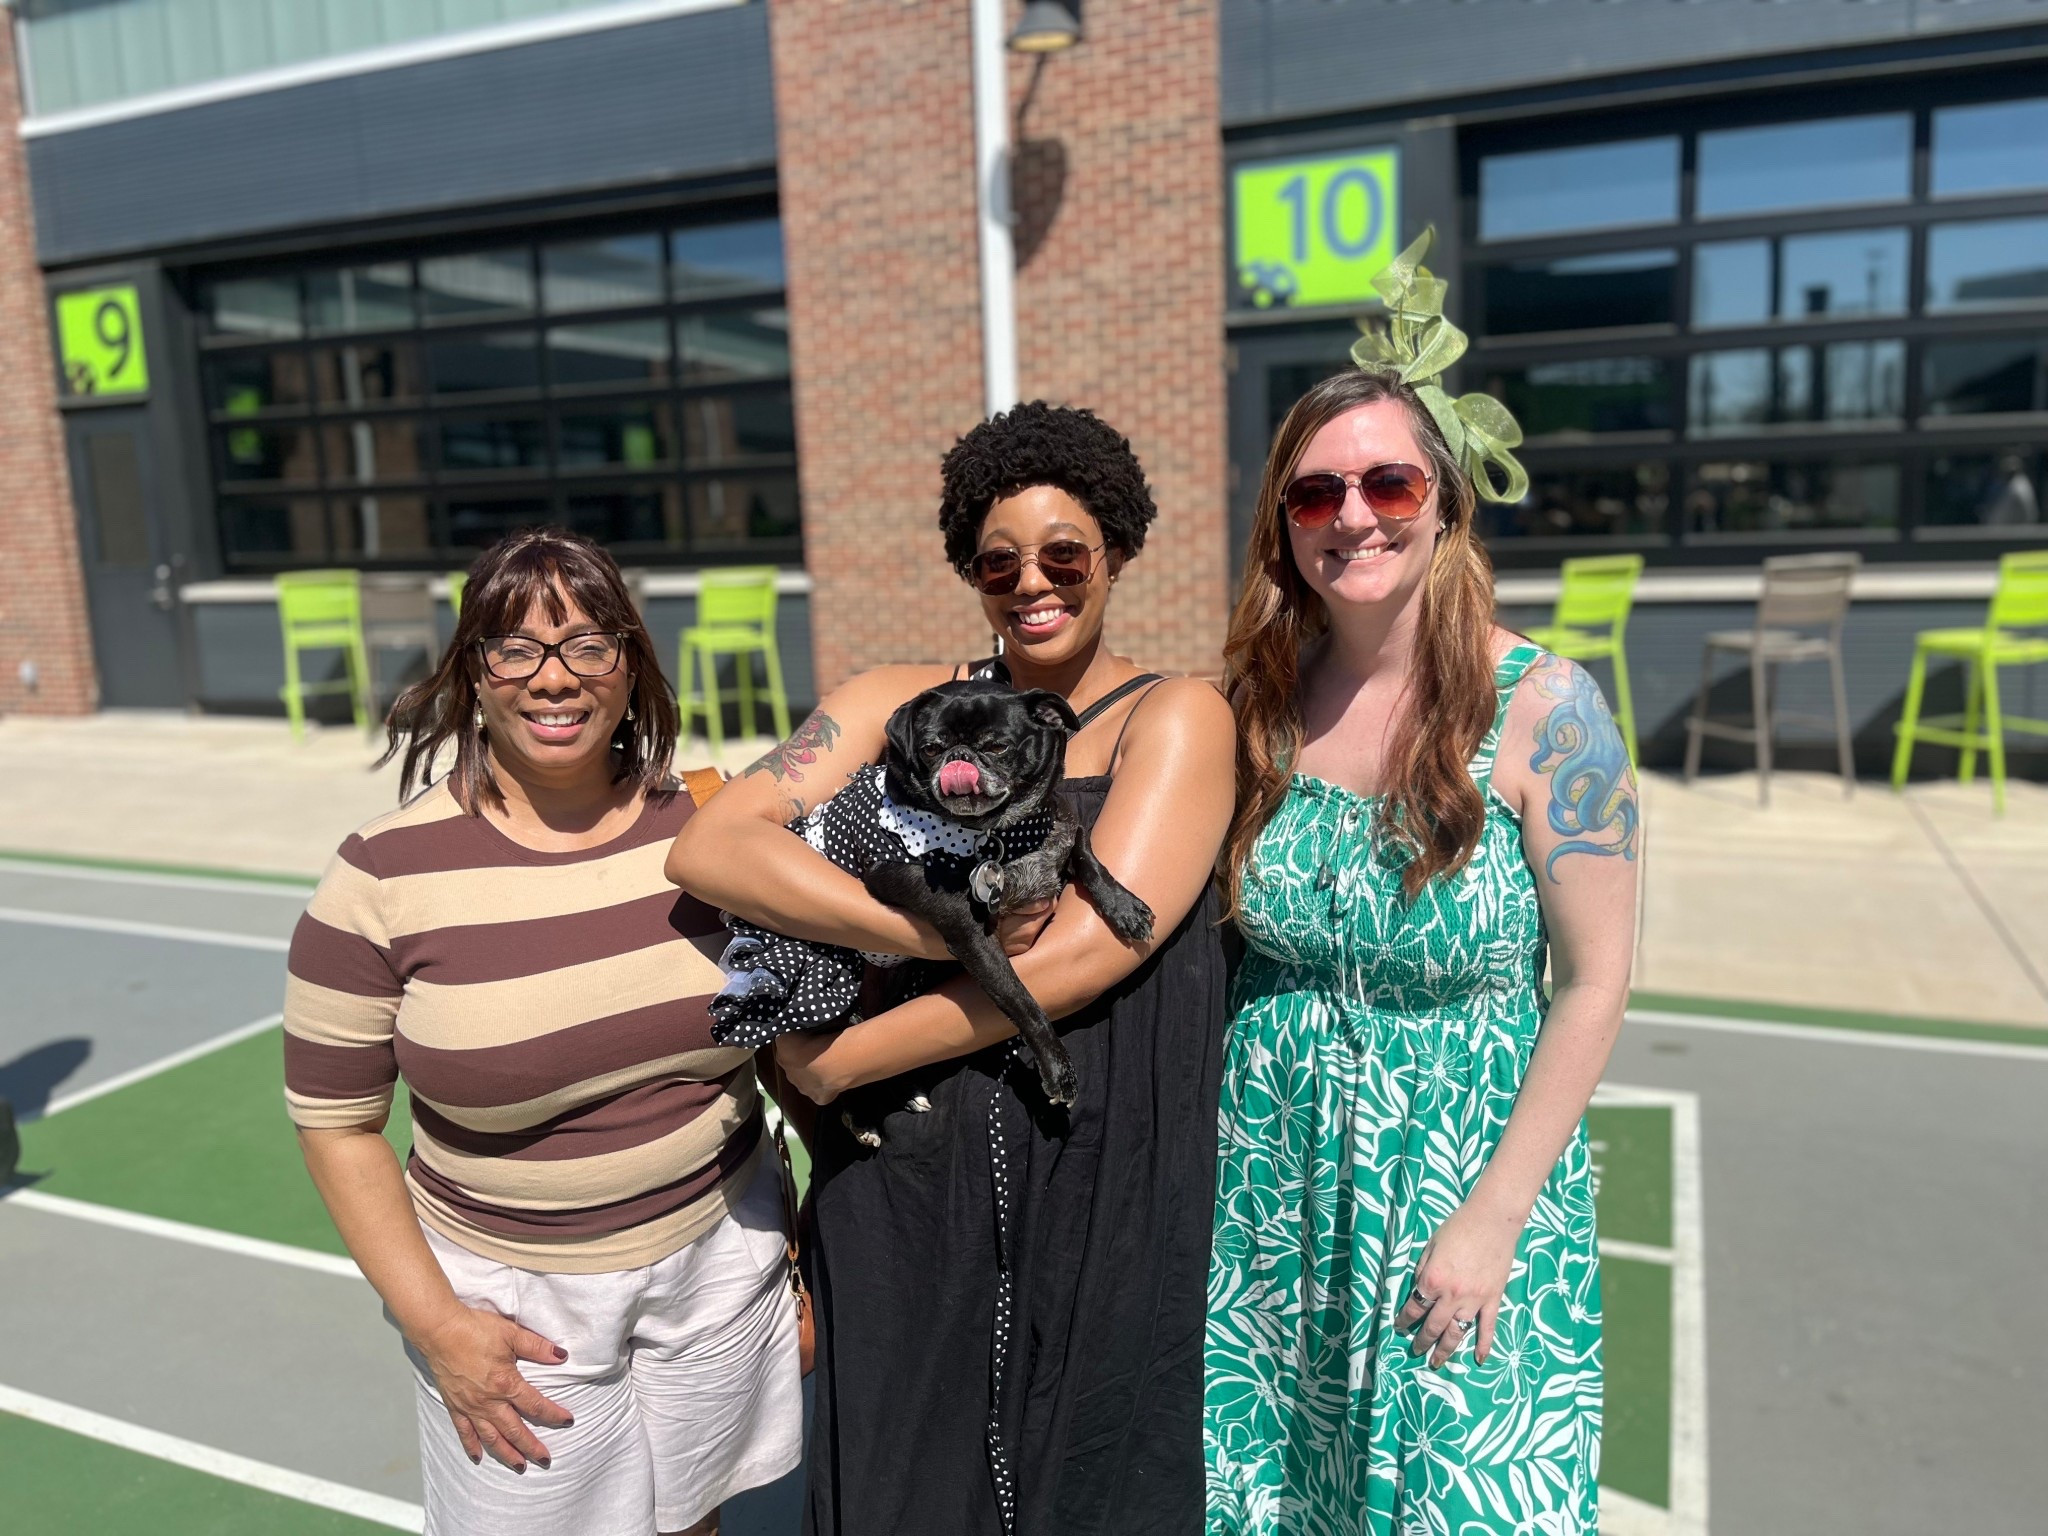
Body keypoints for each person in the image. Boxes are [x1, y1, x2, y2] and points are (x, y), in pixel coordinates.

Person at [668, 401, 1236, 1536]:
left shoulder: (1172, 716)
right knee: (903, 1470)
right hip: (907, 1170)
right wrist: (932, 935)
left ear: (1114, 551)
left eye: (1064, 553)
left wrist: (834, 1065)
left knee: (1091, 1465)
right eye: (997, 562)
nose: (1033, 582)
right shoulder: (892, 703)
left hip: (1095, 1152)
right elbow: (713, 845)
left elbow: (1079, 954)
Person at [1204, 235, 1638, 1535]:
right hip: (1272, 1196)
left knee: (1457, 1503)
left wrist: (1494, 1220)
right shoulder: (1257, 709)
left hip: (1460, 1189)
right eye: (1316, 495)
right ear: (1284, 525)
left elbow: (1598, 980)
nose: (1353, 516)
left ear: (1442, 499)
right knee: (1282, 1500)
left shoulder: (1547, 708)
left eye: (1387, 481)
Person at [285, 528, 801, 1536]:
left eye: (585, 645)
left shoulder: (713, 824)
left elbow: (783, 1045)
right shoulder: (380, 877)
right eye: (514, 648)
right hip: (513, 1311)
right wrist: (438, 1327)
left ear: (629, 662)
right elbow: (336, 1125)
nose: (552, 678)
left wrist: (796, 1247)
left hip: (718, 1260)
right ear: (473, 672)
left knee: (696, 1520)